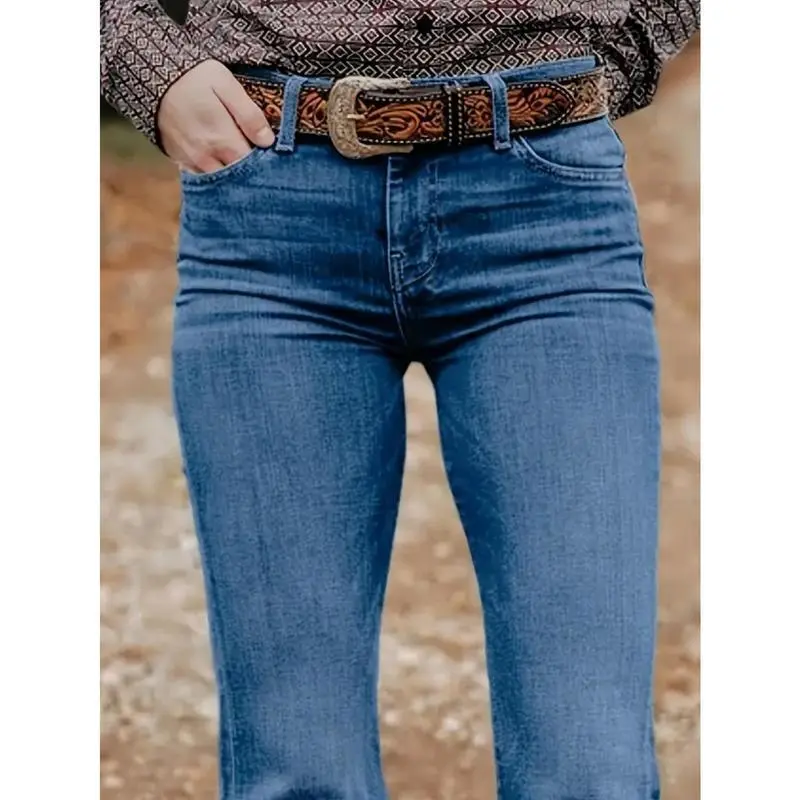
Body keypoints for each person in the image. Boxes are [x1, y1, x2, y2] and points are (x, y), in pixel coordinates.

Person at [100, 2, 699, 798]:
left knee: (589, 771)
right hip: (272, 217)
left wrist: (618, 54)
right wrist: (143, 62)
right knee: (302, 772)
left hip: (545, 221)